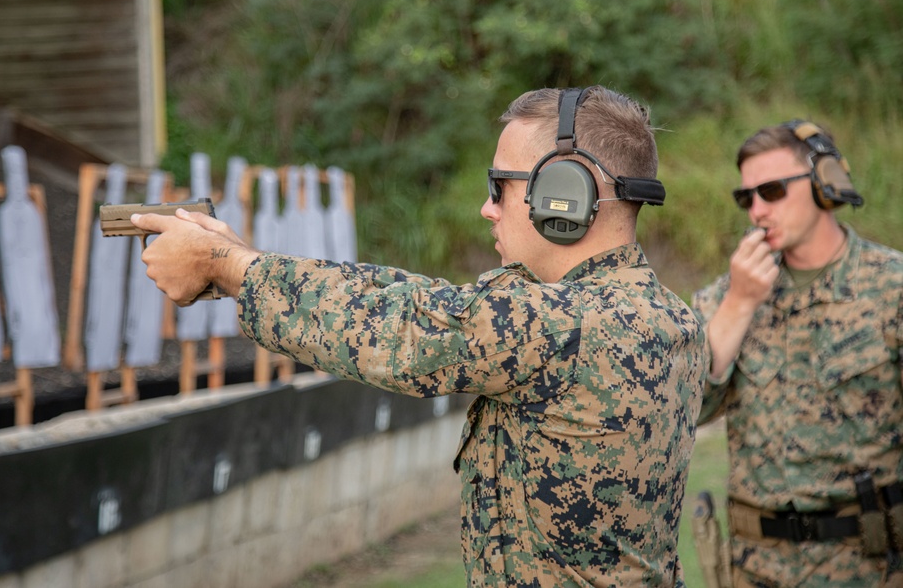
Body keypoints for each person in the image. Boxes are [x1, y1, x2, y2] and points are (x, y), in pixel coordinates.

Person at [133, 86, 706, 587]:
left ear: (564, 194)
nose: (488, 208)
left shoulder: (559, 323)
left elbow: (403, 329)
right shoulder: (668, 316)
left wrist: (231, 268)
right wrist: (242, 258)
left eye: (500, 186)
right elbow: (425, 303)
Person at [691, 120, 903, 587]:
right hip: (757, 569)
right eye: (747, 198)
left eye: (771, 191)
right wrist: (741, 303)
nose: (758, 211)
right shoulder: (728, 295)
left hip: (868, 568)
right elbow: (692, 407)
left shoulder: (891, 287)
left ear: (826, 185)